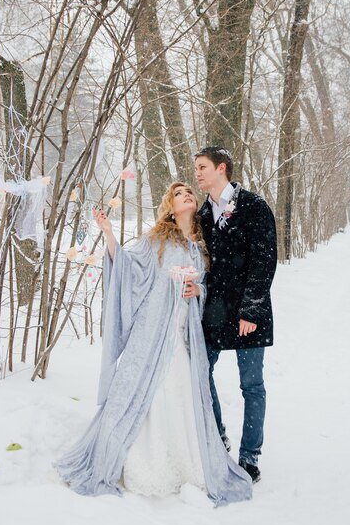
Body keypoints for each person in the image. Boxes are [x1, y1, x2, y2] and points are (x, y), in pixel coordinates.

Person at [54, 182, 252, 505]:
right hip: (150, 337)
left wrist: (198, 291)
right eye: (178, 194)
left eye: (189, 191)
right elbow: (127, 269)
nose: (187, 195)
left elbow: (208, 287)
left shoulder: (200, 247)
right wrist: (108, 233)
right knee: (143, 397)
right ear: (170, 208)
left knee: (183, 400)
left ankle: (184, 467)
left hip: (182, 342)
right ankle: (141, 464)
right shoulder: (156, 241)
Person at [195, 147, 277, 484]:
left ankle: (249, 456)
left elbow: (264, 260)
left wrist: (252, 309)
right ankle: (218, 437)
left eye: (202, 167)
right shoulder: (202, 215)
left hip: (248, 313)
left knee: (252, 385)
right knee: (201, 372)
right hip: (214, 311)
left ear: (221, 168)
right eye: (196, 168)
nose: (197, 173)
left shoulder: (254, 206)